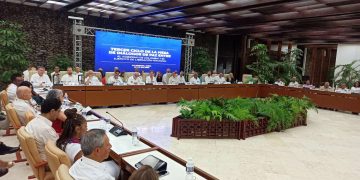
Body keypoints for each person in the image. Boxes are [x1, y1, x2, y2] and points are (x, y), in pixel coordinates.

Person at [56, 109, 120, 178]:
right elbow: (93, 157)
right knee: (117, 166)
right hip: (91, 171)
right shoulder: (76, 149)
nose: (87, 129)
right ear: (77, 129)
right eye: (85, 127)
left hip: (84, 170)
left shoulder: (65, 141)